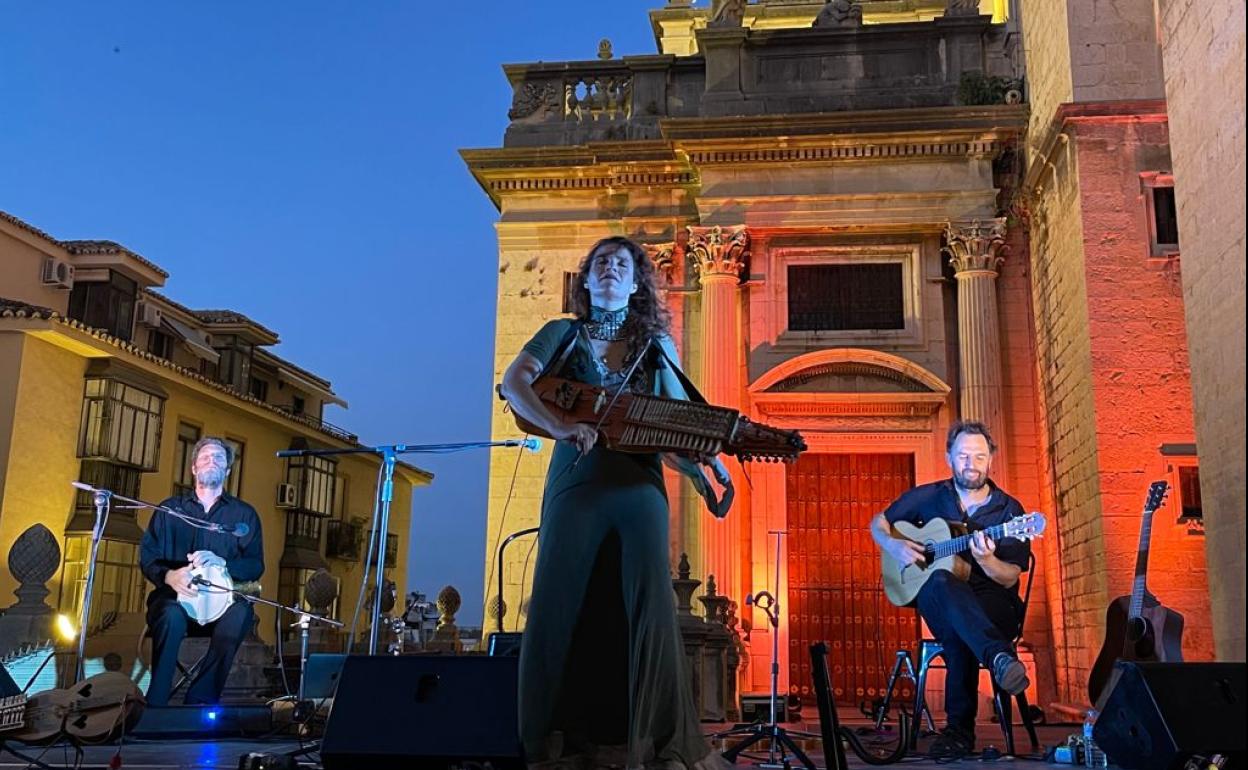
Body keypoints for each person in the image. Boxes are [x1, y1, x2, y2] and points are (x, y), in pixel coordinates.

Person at [500, 236, 731, 770]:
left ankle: (657, 742)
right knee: (557, 602)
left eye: (621, 264)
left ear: (635, 283)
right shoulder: (562, 333)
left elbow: (674, 431)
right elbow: (515, 384)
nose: (609, 269)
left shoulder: (657, 347)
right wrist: (563, 426)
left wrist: (703, 466)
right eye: (601, 262)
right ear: (586, 280)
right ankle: (545, 741)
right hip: (576, 481)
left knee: (651, 608)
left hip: (639, 487)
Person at [869, 420, 1031, 759]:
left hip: (994, 605)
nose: (971, 464)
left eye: (979, 456)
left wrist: (986, 560)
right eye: (963, 456)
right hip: (940, 599)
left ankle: (958, 732)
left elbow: (1009, 578)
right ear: (949, 458)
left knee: (960, 633)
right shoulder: (930, 496)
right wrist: (895, 546)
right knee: (942, 581)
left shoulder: (1009, 512)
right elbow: (879, 522)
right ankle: (999, 658)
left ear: (991, 460)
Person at [140, 436, 264, 706]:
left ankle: (201, 699)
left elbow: (256, 565)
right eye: (205, 457)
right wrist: (169, 577)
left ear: (227, 472)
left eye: (219, 458)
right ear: (194, 468)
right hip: (175, 601)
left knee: (241, 613)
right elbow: (148, 557)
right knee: (170, 616)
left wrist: (223, 563)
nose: (212, 461)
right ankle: (156, 703)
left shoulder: (244, 516)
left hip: (222, 605)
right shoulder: (169, 510)